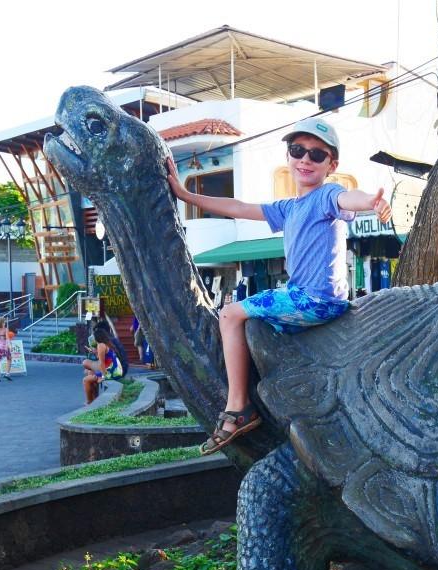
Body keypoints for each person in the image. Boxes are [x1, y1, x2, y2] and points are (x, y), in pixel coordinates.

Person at [166, 116, 392, 455]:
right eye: (297, 150)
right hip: (301, 296)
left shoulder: (327, 195)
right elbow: (240, 208)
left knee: (229, 315)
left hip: (315, 300)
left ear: (332, 165)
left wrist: (372, 203)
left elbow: (349, 199)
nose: (305, 159)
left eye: (317, 155)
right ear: (288, 156)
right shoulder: (289, 208)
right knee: (251, 324)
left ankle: (238, 408)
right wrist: (186, 196)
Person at [82, 320, 125, 404]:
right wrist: (94, 352)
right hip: (115, 371)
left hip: (112, 373)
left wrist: (103, 377)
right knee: (89, 372)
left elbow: (101, 363)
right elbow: (104, 359)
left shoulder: (100, 345)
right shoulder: (106, 343)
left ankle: (89, 402)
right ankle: (93, 400)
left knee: (85, 380)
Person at [0, 316, 13, 382]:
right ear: (1, 323)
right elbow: (7, 339)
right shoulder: (5, 329)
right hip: (4, 346)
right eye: (4, 322)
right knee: (9, 359)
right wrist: (10, 346)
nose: (5, 324)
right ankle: (7, 374)